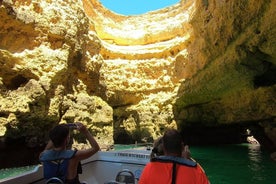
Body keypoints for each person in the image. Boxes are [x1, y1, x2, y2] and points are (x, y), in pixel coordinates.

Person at [139, 129, 210, 184]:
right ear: (182, 147)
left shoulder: (149, 169)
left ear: (163, 147)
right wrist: (188, 160)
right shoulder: (195, 171)